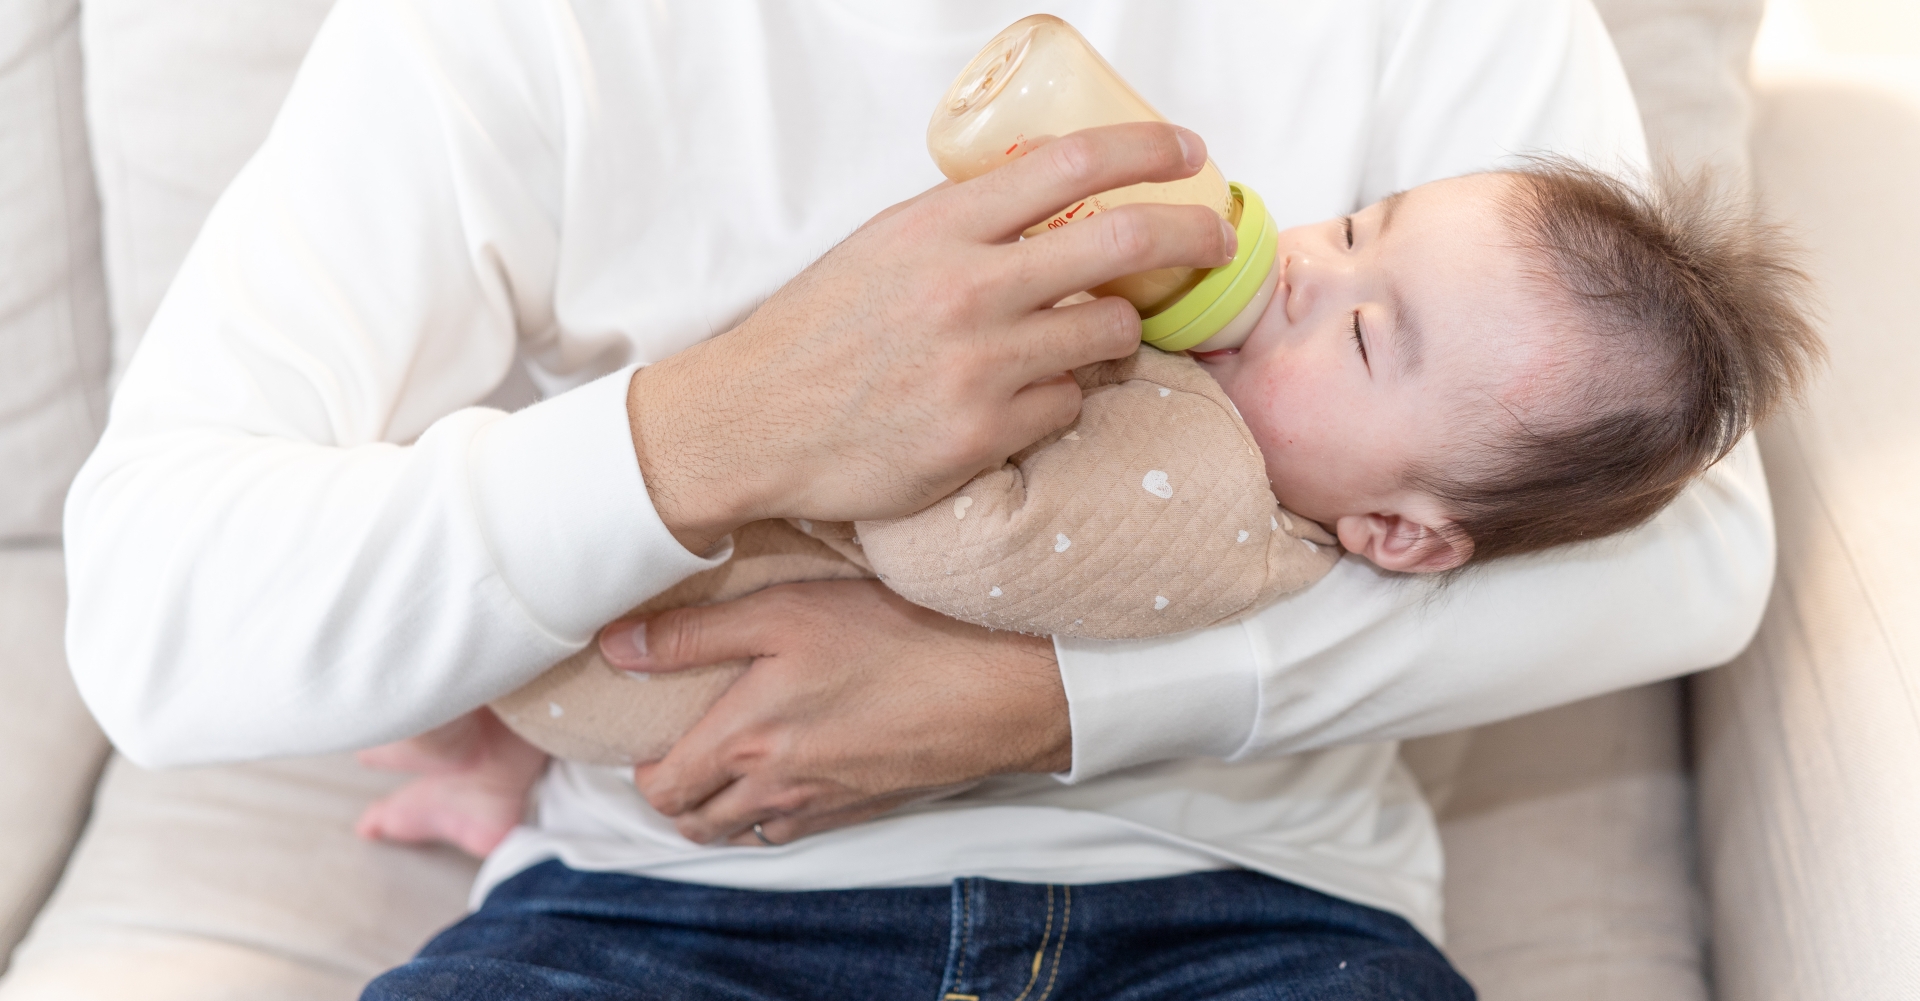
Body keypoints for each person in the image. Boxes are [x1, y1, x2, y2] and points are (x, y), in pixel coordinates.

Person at [63, 1, 1776, 1001]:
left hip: (1253, 946)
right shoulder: (515, 36)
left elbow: (1685, 549)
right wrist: (714, 428)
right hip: (661, 919)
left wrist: (1041, 700)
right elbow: (151, 617)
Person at [351, 162, 1818, 862]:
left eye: (1371, 340)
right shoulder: (1203, 389)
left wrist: (932, 386)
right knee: (488, 590)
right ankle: (494, 770)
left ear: (1397, 535)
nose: (1307, 272)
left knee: (524, 638)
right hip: (666, 583)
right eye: (1361, 228)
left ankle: (501, 745)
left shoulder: (1208, 513)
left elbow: (967, 545)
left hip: (685, 673)